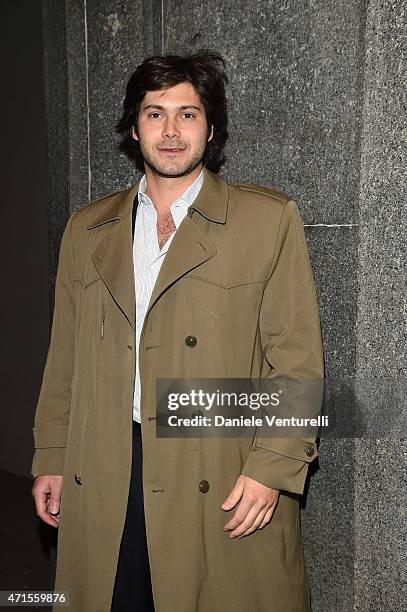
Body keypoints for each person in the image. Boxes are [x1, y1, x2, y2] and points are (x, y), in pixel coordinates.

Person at [31, 49, 324, 612]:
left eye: (187, 114)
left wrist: (272, 468)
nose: (170, 130)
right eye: (154, 113)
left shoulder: (266, 221)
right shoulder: (87, 230)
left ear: (210, 128)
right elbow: (63, 357)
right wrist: (51, 453)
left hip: (217, 463)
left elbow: (297, 359)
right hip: (106, 462)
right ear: (133, 128)